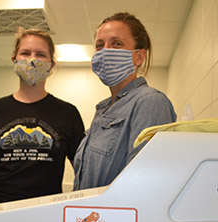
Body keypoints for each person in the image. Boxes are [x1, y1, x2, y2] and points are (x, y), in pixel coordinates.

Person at [0, 27, 85, 205]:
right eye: (25, 53)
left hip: (44, 214)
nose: (32, 60)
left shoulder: (68, 113)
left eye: (41, 54)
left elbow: (83, 172)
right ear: (14, 60)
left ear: (51, 65)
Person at [73, 12, 177, 190]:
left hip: (113, 217)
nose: (105, 51)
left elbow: (143, 185)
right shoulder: (105, 109)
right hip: (89, 216)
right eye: (100, 46)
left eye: (117, 44)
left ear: (139, 56)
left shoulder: (150, 102)